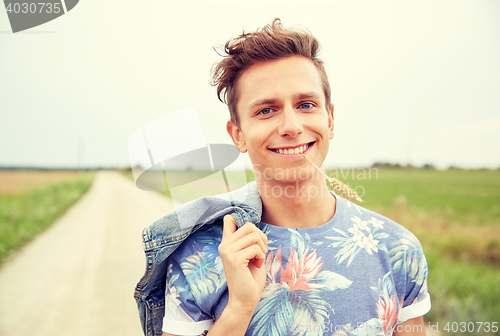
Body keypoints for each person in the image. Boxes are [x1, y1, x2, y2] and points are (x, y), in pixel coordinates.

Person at [157, 18, 431, 336]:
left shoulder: (398, 248)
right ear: (238, 135)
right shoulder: (198, 256)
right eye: (266, 110)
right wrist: (239, 309)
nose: (291, 126)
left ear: (330, 119)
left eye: (306, 104)